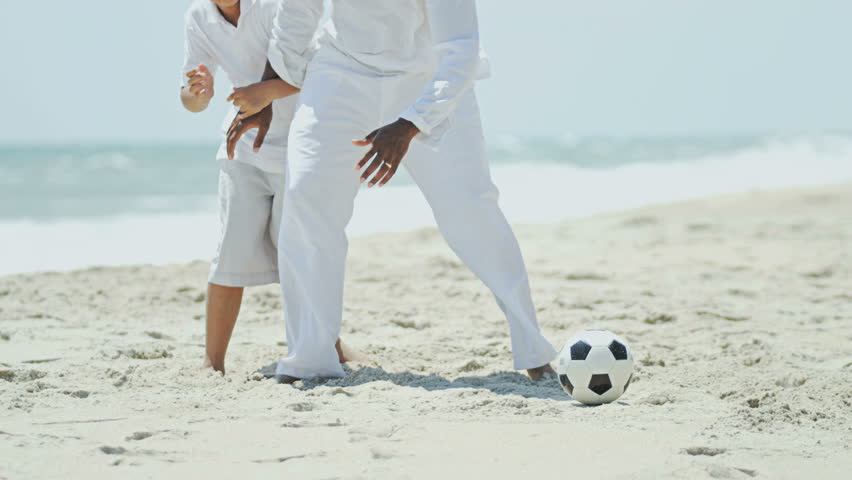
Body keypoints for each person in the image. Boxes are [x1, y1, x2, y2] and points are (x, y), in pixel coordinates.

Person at [229, 0, 557, 382]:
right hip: (340, 74)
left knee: (472, 208)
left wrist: (410, 124)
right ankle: (310, 358)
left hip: (429, 76)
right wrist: (271, 90)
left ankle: (533, 349)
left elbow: (460, 49)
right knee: (306, 198)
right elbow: (296, 15)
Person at [180, 0, 360, 374]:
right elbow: (191, 101)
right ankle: (212, 362)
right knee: (230, 249)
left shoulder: (277, 6)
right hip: (243, 146)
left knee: (297, 252)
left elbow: (318, 69)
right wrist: (200, 93)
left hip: (302, 143)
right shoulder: (199, 17)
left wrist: (266, 92)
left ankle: (330, 346)